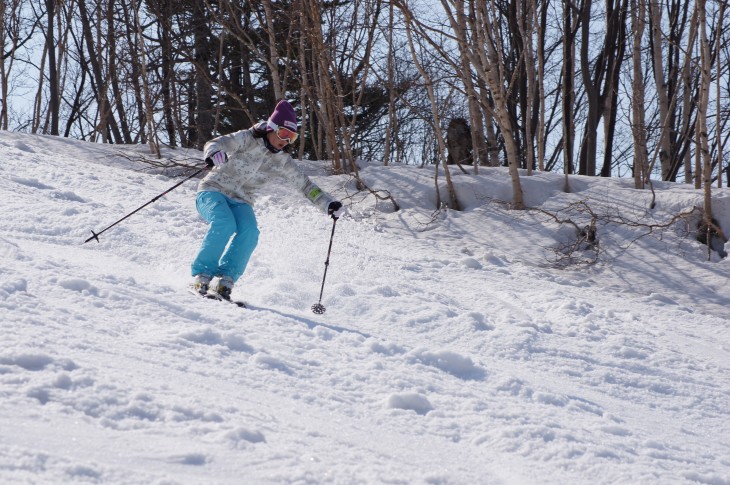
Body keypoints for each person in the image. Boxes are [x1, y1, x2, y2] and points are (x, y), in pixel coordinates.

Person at [190, 99, 344, 301]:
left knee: (250, 232)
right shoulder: (246, 138)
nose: (286, 140)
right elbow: (216, 143)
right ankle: (202, 276)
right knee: (224, 223)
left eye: (292, 137)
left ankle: (225, 282)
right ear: (271, 128)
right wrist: (214, 153)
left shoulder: (282, 161)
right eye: (283, 134)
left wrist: (328, 204)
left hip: (242, 200)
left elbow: (306, 186)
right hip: (213, 190)